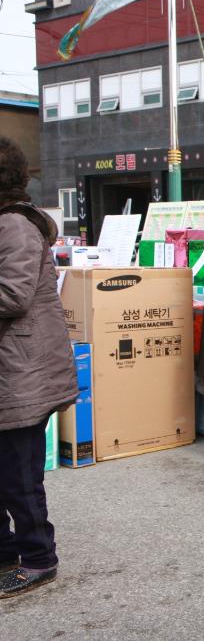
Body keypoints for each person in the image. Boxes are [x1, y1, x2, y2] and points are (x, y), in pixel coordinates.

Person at [0, 136, 78, 598]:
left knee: (18, 477)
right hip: (11, 370)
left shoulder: (14, 225)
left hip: (21, 373)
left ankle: (38, 559)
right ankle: (6, 552)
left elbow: (13, 295)